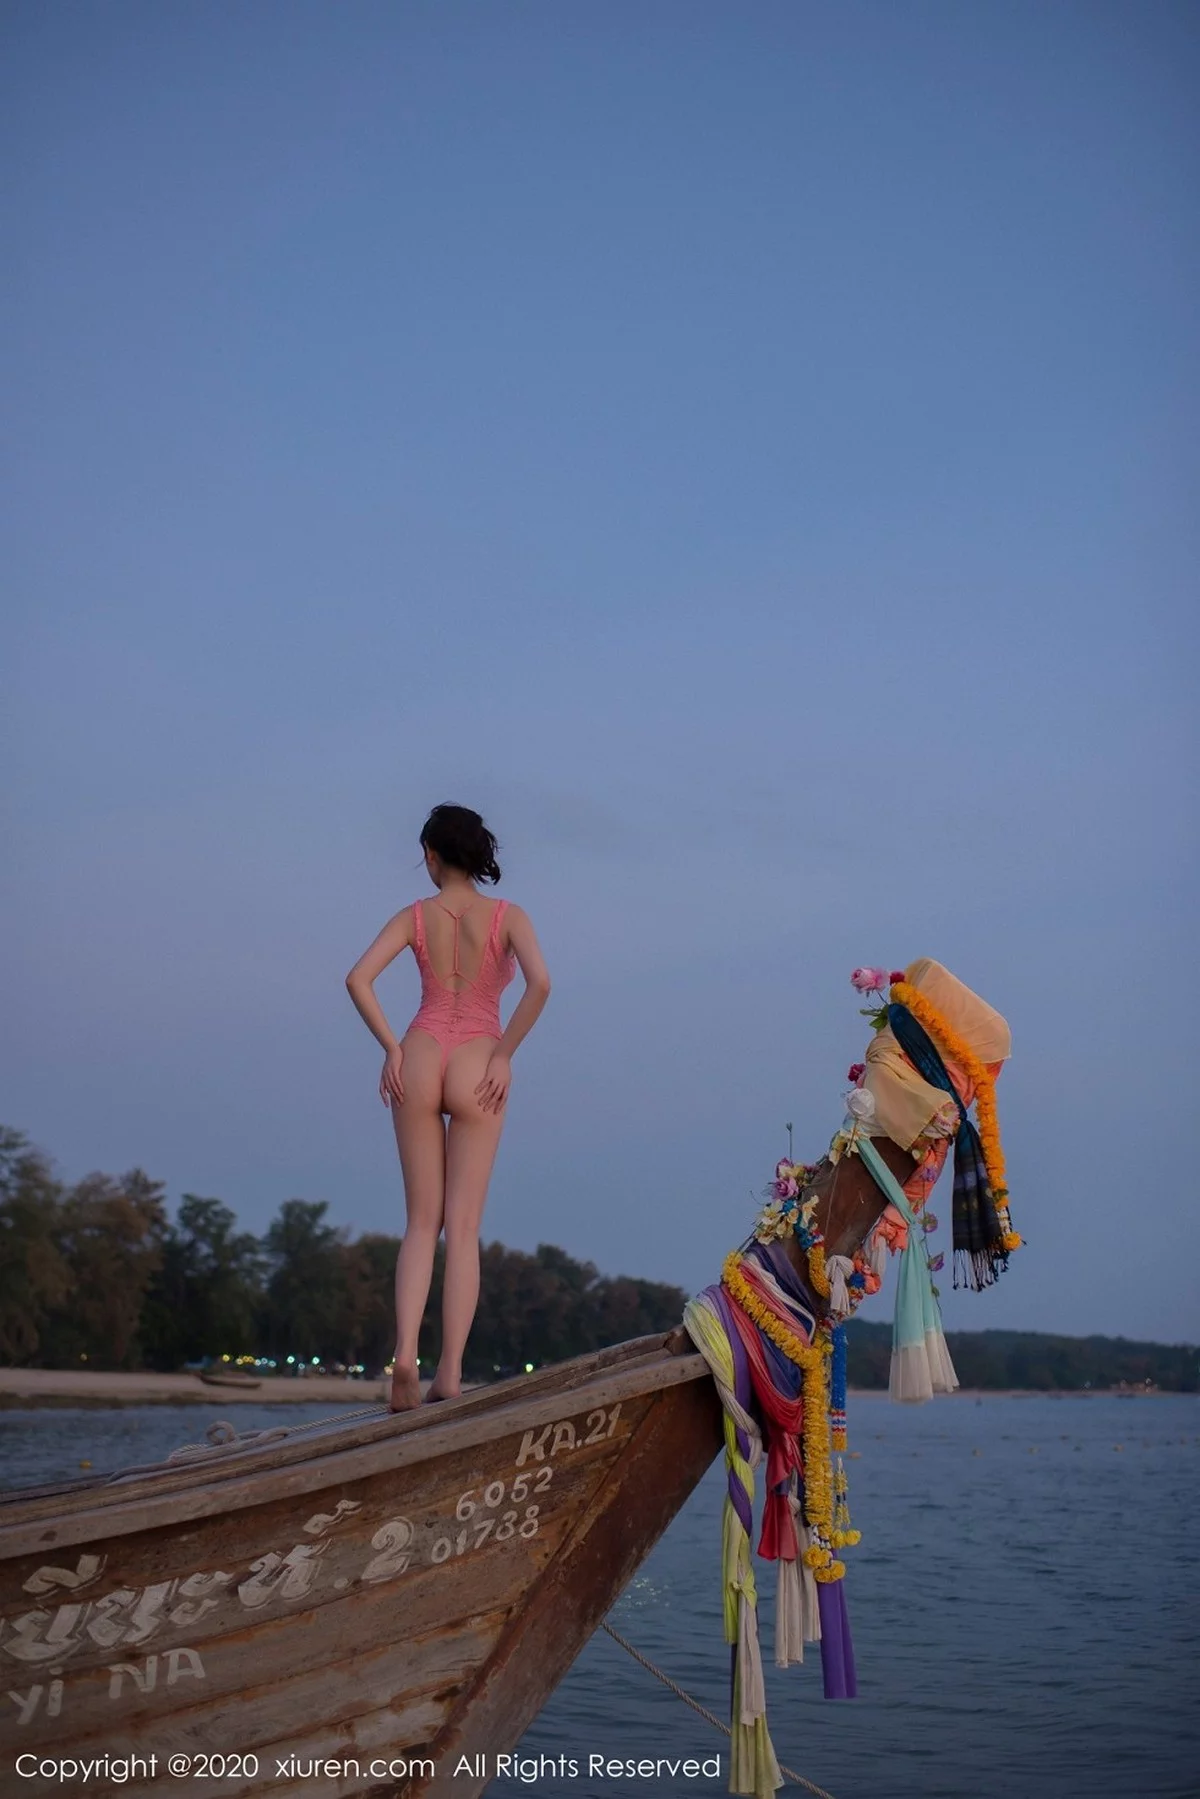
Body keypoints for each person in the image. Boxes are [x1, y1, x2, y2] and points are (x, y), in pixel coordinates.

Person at [345, 804, 551, 1411]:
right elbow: (540, 983)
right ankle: (450, 1374)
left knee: (420, 1223)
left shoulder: (414, 915)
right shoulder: (508, 915)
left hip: (419, 1051)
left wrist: (390, 1048)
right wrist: (505, 1055)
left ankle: (405, 1355)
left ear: (432, 856)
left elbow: (358, 978)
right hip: (479, 1059)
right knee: (462, 1227)